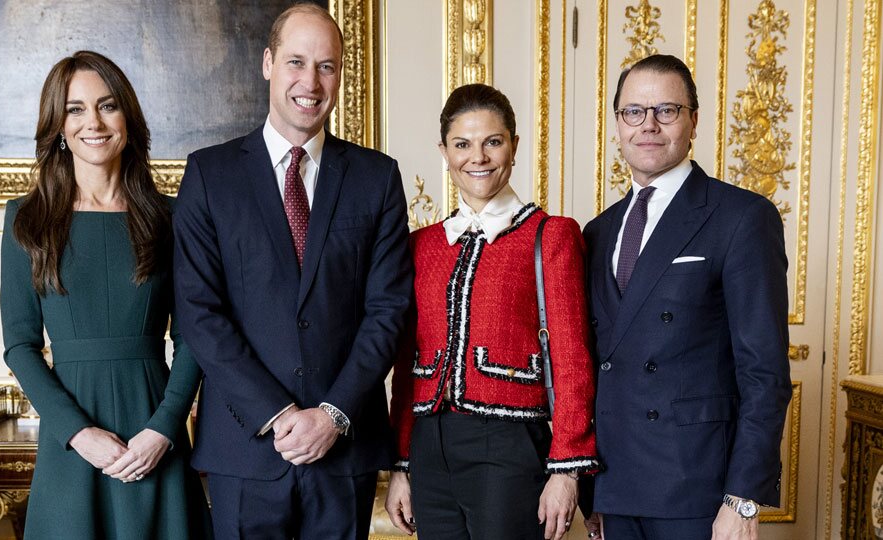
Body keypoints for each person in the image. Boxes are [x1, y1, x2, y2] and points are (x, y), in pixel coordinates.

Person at [172, 3, 412, 539]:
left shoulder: (377, 178)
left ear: (340, 74)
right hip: (245, 447)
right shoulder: (210, 175)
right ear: (267, 63)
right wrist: (278, 415)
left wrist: (332, 415)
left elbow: (388, 310)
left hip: (343, 447)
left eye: (326, 66)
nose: (310, 81)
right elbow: (198, 313)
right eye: (296, 62)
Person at [0, 50, 212, 539]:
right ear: (57, 125)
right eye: (75, 109)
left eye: (107, 106)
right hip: (70, 442)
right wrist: (78, 433)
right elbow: (20, 346)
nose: (92, 122)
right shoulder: (25, 218)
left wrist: (164, 428)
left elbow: (193, 337)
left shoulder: (172, 217)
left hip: (154, 430)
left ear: (128, 118)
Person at [581, 54, 792, 540]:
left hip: (699, 487)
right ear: (618, 124)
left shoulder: (741, 216)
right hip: (615, 483)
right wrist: (589, 486)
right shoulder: (598, 230)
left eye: (667, 111)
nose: (648, 125)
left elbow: (764, 371)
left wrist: (742, 499)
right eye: (634, 111)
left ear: (693, 120)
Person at [384, 83, 599, 540]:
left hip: (508, 445)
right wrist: (401, 464)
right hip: (429, 448)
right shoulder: (422, 246)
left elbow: (573, 360)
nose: (477, 157)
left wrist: (565, 469)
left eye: (492, 142)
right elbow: (407, 366)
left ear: (514, 146)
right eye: (462, 144)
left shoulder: (552, 236)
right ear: (444, 151)